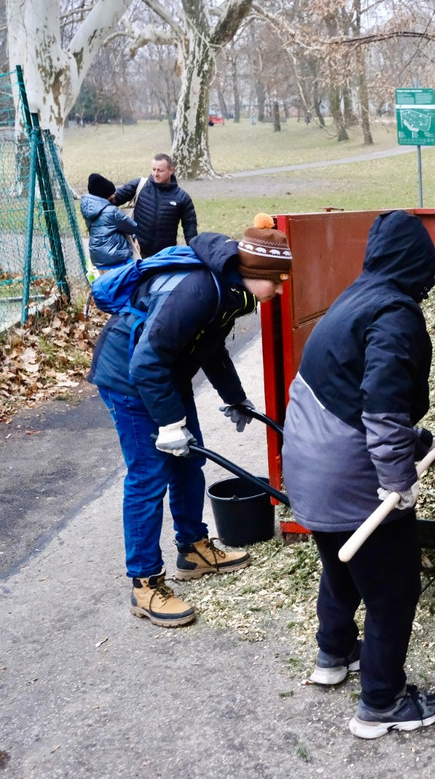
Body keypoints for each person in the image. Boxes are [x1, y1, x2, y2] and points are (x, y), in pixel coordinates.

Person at [281, 210, 435, 740]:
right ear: (416, 262)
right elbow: (381, 407)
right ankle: (382, 701)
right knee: (394, 589)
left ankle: (333, 654)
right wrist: (399, 481)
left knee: (341, 564)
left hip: (307, 462)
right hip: (347, 475)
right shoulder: (395, 314)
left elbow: (349, 392)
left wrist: (415, 441)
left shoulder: (355, 297)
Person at [88, 215, 291, 627]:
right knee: (149, 476)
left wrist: (236, 398)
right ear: (256, 272)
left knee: (189, 461)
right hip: (129, 377)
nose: (281, 289)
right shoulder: (198, 290)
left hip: (167, 375)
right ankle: (145, 584)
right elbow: (146, 362)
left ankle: (193, 549)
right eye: (278, 280)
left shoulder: (233, 291)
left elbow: (210, 348)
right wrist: (168, 425)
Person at [110, 153, 198, 258]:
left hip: (165, 256)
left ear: (171, 170)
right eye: (153, 169)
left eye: (160, 170)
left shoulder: (182, 198)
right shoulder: (140, 185)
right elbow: (113, 199)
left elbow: (190, 229)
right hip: (137, 252)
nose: (155, 174)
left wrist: (195, 254)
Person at [81, 173, 138, 271]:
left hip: (99, 258)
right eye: (113, 194)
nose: (115, 195)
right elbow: (132, 227)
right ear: (106, 195)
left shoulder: (88, 209)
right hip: (116, 258)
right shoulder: (112, 211)